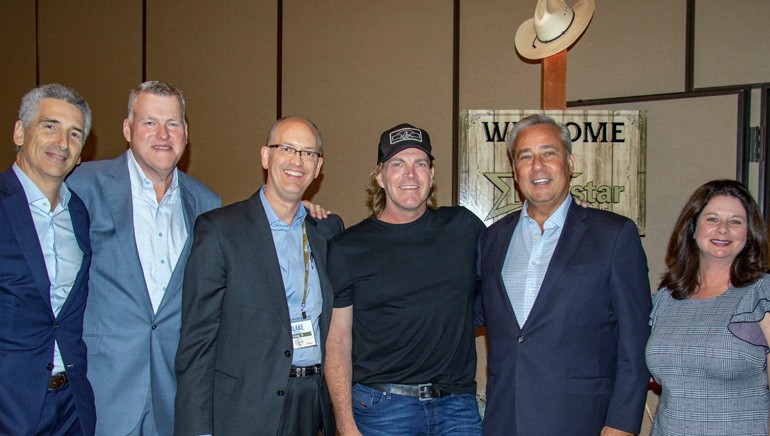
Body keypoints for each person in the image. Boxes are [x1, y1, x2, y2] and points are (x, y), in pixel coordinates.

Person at [477, 114, 651, 435]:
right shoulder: (493, 239)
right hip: (505, 419)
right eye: (525, 157)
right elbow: (471, 310)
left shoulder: (614, 235)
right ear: (514, 171)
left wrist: (622, 423)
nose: (537, 166)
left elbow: (635, 338)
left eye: (549, 153)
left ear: (569, 162)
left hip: (582, 421)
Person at [66, 81, 221, 436]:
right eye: (150, 122)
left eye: (173, 123)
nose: (163, 135)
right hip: (103, 388)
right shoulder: (82, 186)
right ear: (127, 129)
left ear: (186, 133)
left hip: (173, 392)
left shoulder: (207, 204)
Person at [174, 116, 343, 436]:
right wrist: (196, 430)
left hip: (311, 407)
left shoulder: (326, 233)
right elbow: (196, 345)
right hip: (244, 410)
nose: (297, 161)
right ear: (266, 156)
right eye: (287, 148)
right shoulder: (220, 231)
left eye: (308, 153)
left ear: (318, 166)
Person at [325, 123, 486, 435]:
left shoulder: (463, 227)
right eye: (398, 164)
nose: (410, 174)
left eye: (420, 163)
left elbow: (510, 261)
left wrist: (568, 211)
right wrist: (344, 423)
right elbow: (338, 341)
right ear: (380, 176)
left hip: (457, 407)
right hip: (382, 409)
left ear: (431, 174)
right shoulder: (348, 248)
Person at [0, 84, 95, 434]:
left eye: (75, 133)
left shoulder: (79, 213)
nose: (62, 143)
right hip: (9, 406)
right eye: (50, 126)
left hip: (70, 408)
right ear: (20, 132)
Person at [647, 179, 770, 435]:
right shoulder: (666, 298)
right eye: (712, 219)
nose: (723, 229)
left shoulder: (761, 293)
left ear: (749, 234)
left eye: (735, 221)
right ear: (692, 228)